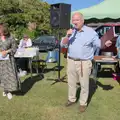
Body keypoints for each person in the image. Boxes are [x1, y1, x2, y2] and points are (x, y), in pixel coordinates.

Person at [61, 12, 112, 113]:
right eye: (73, 20)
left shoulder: (91, 32)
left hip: (84, 63)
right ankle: (71, 99)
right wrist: (67, 35)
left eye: (77, 20)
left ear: (82, 21)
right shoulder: (71, 31)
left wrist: (105, 44)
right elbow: (63, 44)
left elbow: (99, 45)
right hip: (71, 60)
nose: (74, 22)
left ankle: (83, 103)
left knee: (84, 84)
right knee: (71, 83)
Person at [0, 23, 21, 99]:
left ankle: (9, 91)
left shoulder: (11, 37)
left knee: (10, 76)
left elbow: (14, 48)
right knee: (2, 76)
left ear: (3, 29)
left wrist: (7, 51)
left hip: (9, 60)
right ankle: (5, 90)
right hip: (0, 61)